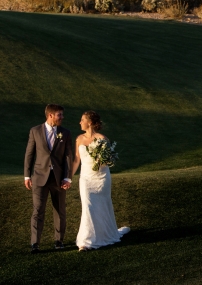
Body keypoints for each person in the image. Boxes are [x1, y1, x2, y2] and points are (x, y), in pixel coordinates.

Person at [72, 111, 130, 252]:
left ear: (90, 122)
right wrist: (68, 177)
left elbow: (107, 160)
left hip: (101, 178)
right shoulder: (79, 139)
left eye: (82, 120)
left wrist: (101, 159)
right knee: (88, 206)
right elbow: (76, 160)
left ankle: (103, 234)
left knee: (102, 206)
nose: (80, 122)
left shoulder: (102, 139)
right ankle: (85, 242)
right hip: (86, 178)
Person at [24, 104, 74, 254]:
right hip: (39, 178)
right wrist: (27, 175)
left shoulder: (65, 133)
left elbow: (68, 156)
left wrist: (68, 177)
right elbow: (29, 154)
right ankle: (35, 244)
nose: (62, 117)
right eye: (60, 115)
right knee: (38, 210)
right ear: (50, 115)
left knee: (60, 210)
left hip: (59, 179)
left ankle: (59, 241)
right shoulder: (35, 131)